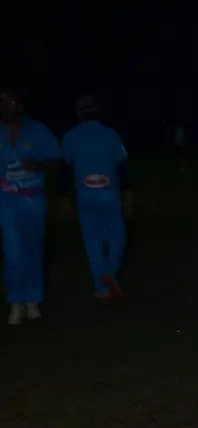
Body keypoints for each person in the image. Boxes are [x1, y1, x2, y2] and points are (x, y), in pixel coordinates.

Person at [0, 87, 61, 324]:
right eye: (2, 102)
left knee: (33, 247)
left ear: (21, 106)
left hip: (34, 198)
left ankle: (32, 300)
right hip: (6, 200)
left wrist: (39, 166)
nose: (5, 106)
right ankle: (15, 302)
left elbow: (57, 162)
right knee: (13, 251)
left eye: (10, 102)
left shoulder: (38, 131)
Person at [61, 95, 132, 300]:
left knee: (93, 242)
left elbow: (64, 170)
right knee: (117, 237)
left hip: (85, 197)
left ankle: (102, 286)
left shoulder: (71, 137)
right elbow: (123, 166)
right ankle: (109, 274)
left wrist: (65, 198)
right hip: (109, 195)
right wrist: (128, 194)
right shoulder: (111, 135)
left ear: (78, 113)